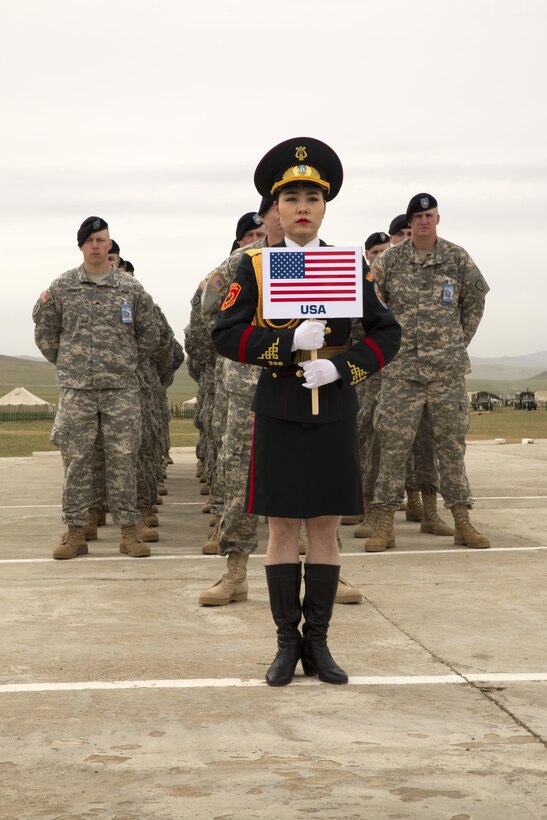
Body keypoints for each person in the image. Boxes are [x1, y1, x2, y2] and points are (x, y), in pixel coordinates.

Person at [212, 137, 401, 686]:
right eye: (291, 197)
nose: (301, 207)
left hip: (333, 405)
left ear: (324, 208)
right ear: (276, 208)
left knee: (323, 527)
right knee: (280, 528)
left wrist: (346, 369)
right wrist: (287, 344)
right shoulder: (256, 267)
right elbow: (225, 334)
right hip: (280, 406)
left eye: (311, 199)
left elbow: (387, 332)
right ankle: (285, 644)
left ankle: (319, 643)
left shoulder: (346, 268)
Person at [367, 193, 490, 550]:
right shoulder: (390, 260)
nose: (424, 221)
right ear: (411, 222)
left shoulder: (457, 257)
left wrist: (455, 340)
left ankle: (462, 521)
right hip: (401, 370)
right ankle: (383, 524)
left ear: (438, 219)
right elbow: (372, 300)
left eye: (430, 215)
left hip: (446, 371)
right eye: (418, 217)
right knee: (393, 446)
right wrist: (388, 341)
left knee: (451, 445)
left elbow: (476, 300)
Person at [33, 216, 159, 559]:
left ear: (109, 244)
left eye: (102, 240)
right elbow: (44, 330)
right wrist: (68, 362)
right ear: (81, 246)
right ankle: (75, 532)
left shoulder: (130, 289)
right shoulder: (62, 287)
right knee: (77, 460)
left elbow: (149, 332)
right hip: (77, 389)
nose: (96, 245)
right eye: (90, 240)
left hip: (120, 389)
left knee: (124, 459)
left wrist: (127, 361)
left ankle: (129, 532)